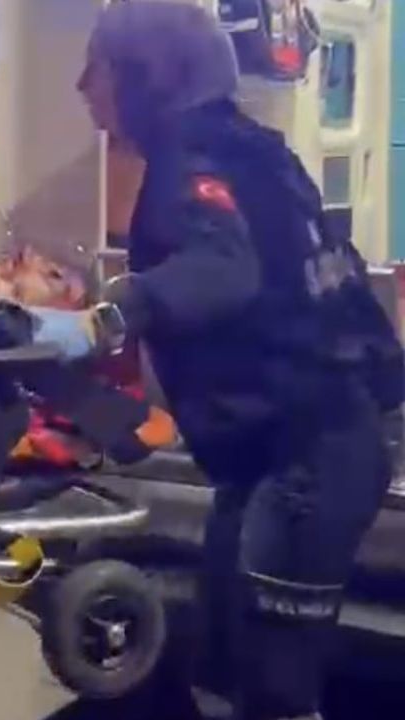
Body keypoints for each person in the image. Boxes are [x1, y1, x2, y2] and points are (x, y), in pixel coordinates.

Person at [38, 3, 404, 718]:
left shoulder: (192, 163)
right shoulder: (258, 154)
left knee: (272, 687)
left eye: (97, 68)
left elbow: (225, 268)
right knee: (218, 665)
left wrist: (108, 316)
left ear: (145, 75)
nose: (83, 86)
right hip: (290, 450)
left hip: (307, 458)